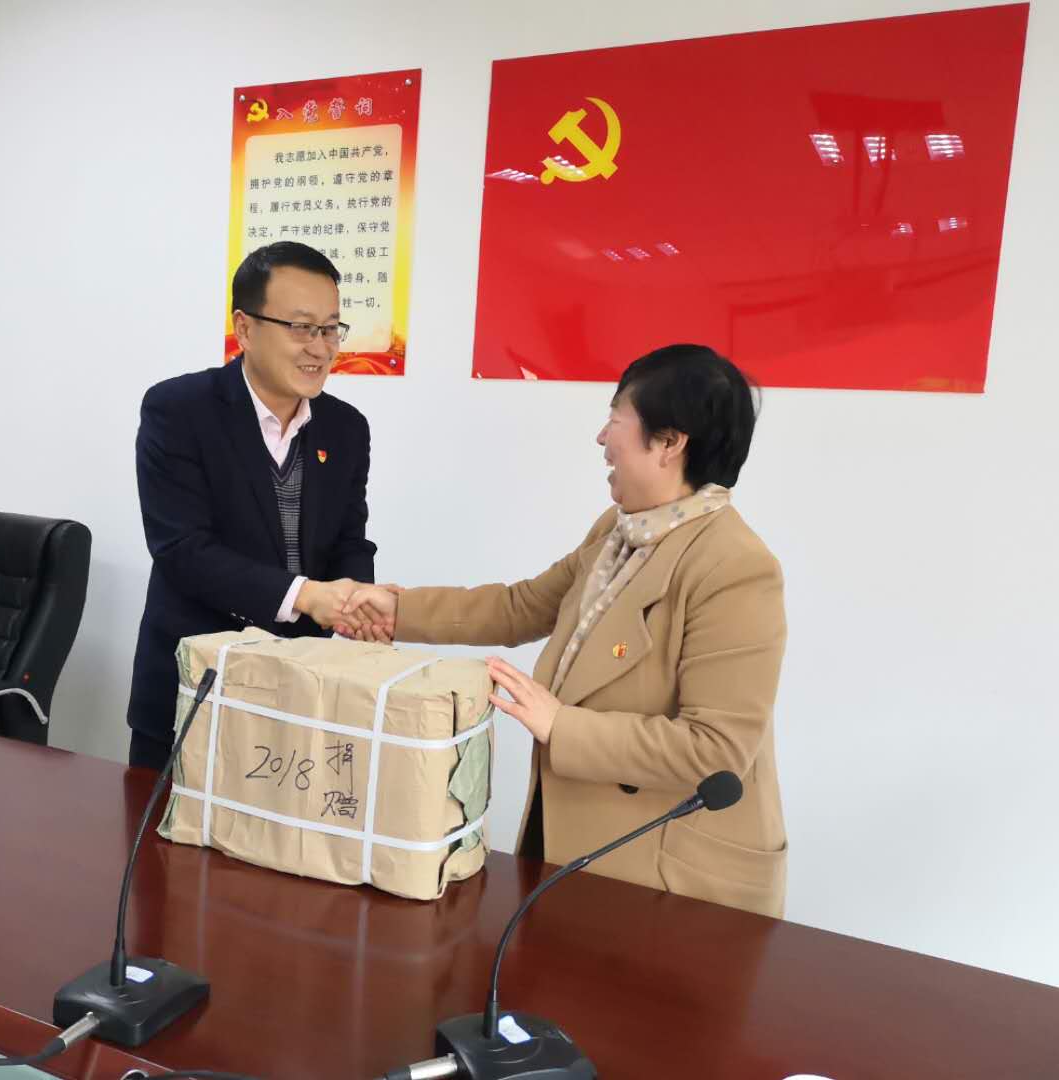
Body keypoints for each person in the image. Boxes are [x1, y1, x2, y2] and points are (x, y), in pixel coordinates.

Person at [342, 344, 788, 917]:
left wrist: (560, 725)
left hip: (667, 877)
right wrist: (395, 612)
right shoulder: (620, 532)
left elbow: (716, 749)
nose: (602, 438)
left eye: (616, 417)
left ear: (669, 442)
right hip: (574, 840)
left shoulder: (734, 566)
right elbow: (522, 606)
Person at [126, 242, 377, 770]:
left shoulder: (346, 428)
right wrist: (307, 595)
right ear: (244, 328)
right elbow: (183, 550)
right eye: (301, 327)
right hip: (194, 693)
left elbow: (349, 540)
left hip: (299, 697)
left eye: (331, 329)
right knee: (161, 825)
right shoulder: (179, 410)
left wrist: (358, 603)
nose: (319, 348)